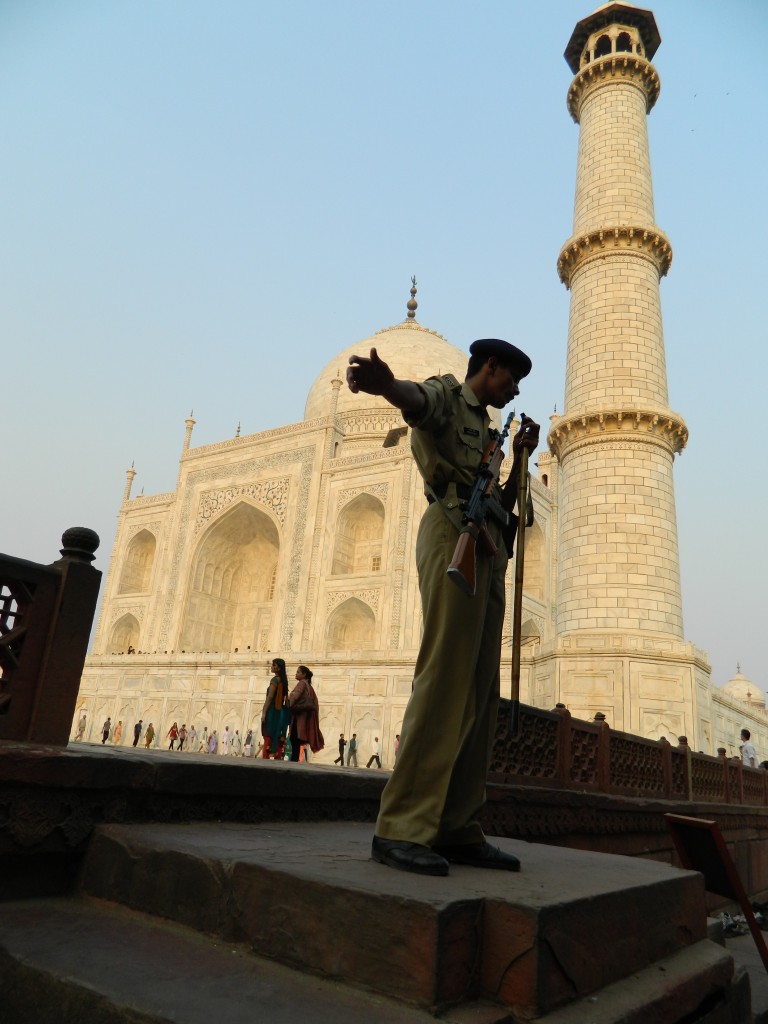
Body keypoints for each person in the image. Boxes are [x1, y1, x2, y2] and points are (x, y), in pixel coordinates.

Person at [347, 338, 538, 876]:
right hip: (453, 532)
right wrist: (387, 386)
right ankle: (403, 827)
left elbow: (502, 503)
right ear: (490, 367)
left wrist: (520, 459)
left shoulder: (494, 434)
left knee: (480, 692)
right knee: (444, 679)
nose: (516, 390)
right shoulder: (450, 397)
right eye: (511, 379)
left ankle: (457, 826)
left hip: (488, 546)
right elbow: (417, 402)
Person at [287, 665, 324, 762]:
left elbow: (295, 696)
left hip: (298, 717)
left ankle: (293, 762)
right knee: (296, 740)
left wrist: (288, 703)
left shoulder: (302, 683)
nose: (296, 673)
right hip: (302, 716)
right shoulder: (308, 686)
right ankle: (294, 760)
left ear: (304, 675)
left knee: (294, 739)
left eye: (298, 672)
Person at [261, 659, 291, 759]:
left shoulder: (275, 680)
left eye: (273, 665)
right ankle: (277, 763)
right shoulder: (284, 681)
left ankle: (264, 762)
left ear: (278, 668)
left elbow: (270, 697)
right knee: (278, 737)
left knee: (268, 736)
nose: (271, 667)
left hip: (273, 711)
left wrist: (264, 712)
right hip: (281, 712)